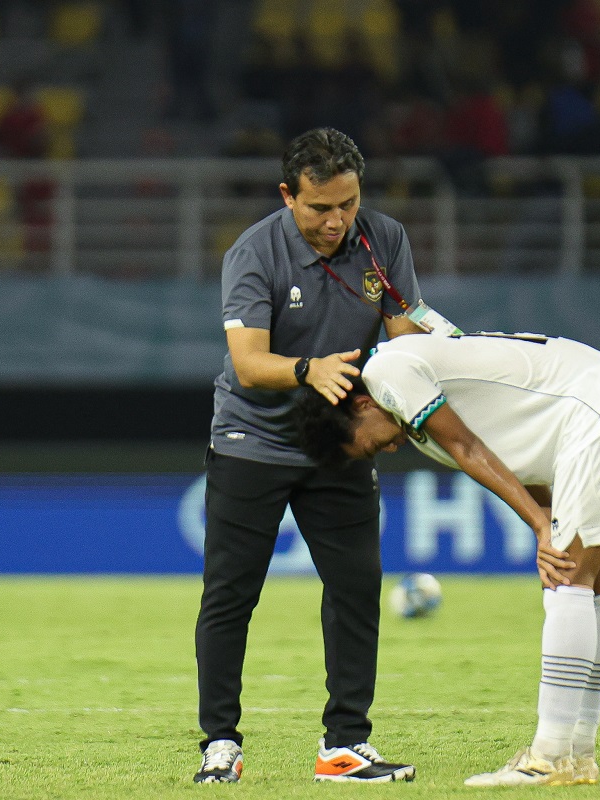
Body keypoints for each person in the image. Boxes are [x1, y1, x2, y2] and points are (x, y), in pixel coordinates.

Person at [295, 331, 600, 787]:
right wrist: (544, 516)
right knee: (594, 582)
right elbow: (505, 456)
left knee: (566, 579)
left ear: (361, 405)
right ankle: (578, 753)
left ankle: (548, 757)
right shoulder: (412, 384)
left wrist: (541, 526)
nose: (388, 448)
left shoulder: (386, 372)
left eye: (373, 445)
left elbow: (468, 449)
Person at [194, 127, 426, 784]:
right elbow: (248, 364)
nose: (336, 221)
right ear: (287, 195)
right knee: (230, 595)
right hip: (253, 441)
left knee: (356, 588)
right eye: (320, 207)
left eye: (348, 204)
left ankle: (345, 745)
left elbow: (406, 339)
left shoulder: (385, 240)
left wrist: (404, 381)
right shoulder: (252, 253)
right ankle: (220, 744)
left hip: (339, 443)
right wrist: (308, 369)